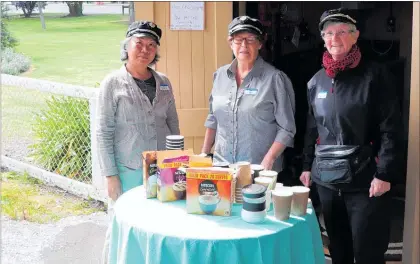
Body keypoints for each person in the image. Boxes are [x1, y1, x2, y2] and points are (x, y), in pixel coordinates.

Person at [299, 8, 402, 264]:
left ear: (355, 36)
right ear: (323, 38)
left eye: (342, 32)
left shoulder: (375, 76)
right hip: (327, 181)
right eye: (329, 33)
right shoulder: (316, 82)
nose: (335, 38)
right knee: (339, 249)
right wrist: (306, 166)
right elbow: (313, 129)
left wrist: (385, 174)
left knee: (368, 251)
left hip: (366, 182)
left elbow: (391, 128)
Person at [96, 20, 180, 263]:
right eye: (139, 43)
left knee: (159, 222)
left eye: (151, 45)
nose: (145, 49)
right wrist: (110, 175)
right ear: (127, 46)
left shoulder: (163, 81)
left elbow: (172, 123)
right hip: (128, 170)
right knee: (122, 225)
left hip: (162, 168)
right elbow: (103, 131)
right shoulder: (112, 83)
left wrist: (177, 162)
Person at [201, 16, 296, 172]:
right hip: (221, 166)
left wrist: (268, 160)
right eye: (238, 39)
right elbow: (213, 119)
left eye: (251, 39)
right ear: (230, 43)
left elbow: (287, 129)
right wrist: (204, 155)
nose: (244, 45)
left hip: (259, 169)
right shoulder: (219, 76)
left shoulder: (275, 79)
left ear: (260, 43)